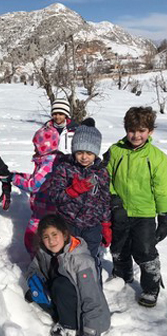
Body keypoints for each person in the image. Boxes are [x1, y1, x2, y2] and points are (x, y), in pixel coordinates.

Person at [106, 106, 167, 308]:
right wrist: (114, 200)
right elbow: (105, 177)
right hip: (120, 211)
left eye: (141, 130)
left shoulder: (157, 157)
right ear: (126, 129)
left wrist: (164, 215)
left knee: (145, 250)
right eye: (132, 130)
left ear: (150, 131)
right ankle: (123, 276)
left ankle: (151, 288)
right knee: (119, 247)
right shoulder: (115, 151)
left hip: (145, 214)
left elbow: (162, 189)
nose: (136, 135)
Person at [26, 215, 110, 336]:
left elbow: (92, 300)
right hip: (63, 302)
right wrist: (35, 286)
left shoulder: (81, 261)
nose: (51, 240)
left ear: (64, 235)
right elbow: (33, 268)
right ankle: (62, 316)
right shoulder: (45, 253)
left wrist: (90, 331)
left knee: (61, 284)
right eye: (46, 237)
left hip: (86, 316)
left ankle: (70, 328)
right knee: (46, 288)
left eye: (55, 234)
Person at [49, 121, 111, 275]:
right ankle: (67, 286)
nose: (84, 157)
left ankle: (93, 290)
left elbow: (104, 201)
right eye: (80, 152)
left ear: (95, 153)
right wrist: (73, 190)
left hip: (92, 226)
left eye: (89, 153)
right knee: (66, 257)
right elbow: (54, 197)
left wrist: (106, 225)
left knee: (90, 259)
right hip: (68, 224)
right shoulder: (65, 168)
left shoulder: (101, 173)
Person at [11, 126, 62, 256]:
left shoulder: (49, 163)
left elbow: (33, 185)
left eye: (36, 145)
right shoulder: (46, 160)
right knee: (35, 240)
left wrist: (12, 178)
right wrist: (19, 175)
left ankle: (41, 264)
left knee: (33, 239)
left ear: (45, 146)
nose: (34, 148)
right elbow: (36, 179)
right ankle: (39, 262)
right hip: (41, 208)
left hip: (47, 211)